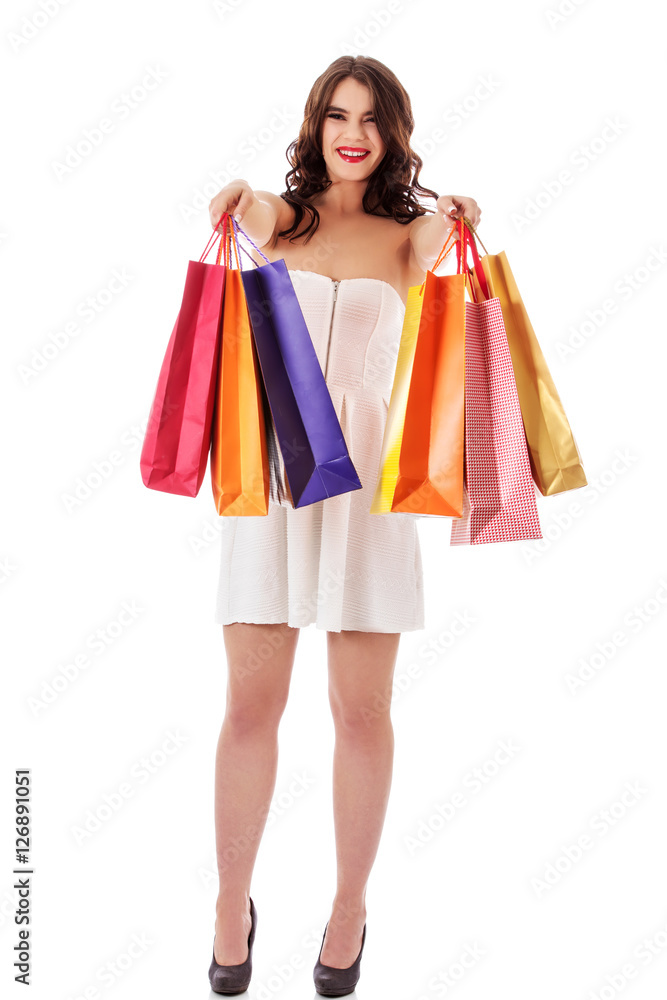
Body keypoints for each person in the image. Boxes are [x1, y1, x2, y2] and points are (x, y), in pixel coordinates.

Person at [206, 54, 481, 996]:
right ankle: (228, 902)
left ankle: (349, 909)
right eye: (335, 114)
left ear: (391, 132)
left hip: (365, 498)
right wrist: (238, 192)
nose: (350, 132)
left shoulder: (407, 239)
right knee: (250, 707)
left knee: (360, 713)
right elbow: (252, 212)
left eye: (368, 117)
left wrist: (460, 213)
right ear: (315, 126)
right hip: (278, 488)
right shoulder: (288, 219)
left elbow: (442, 241)